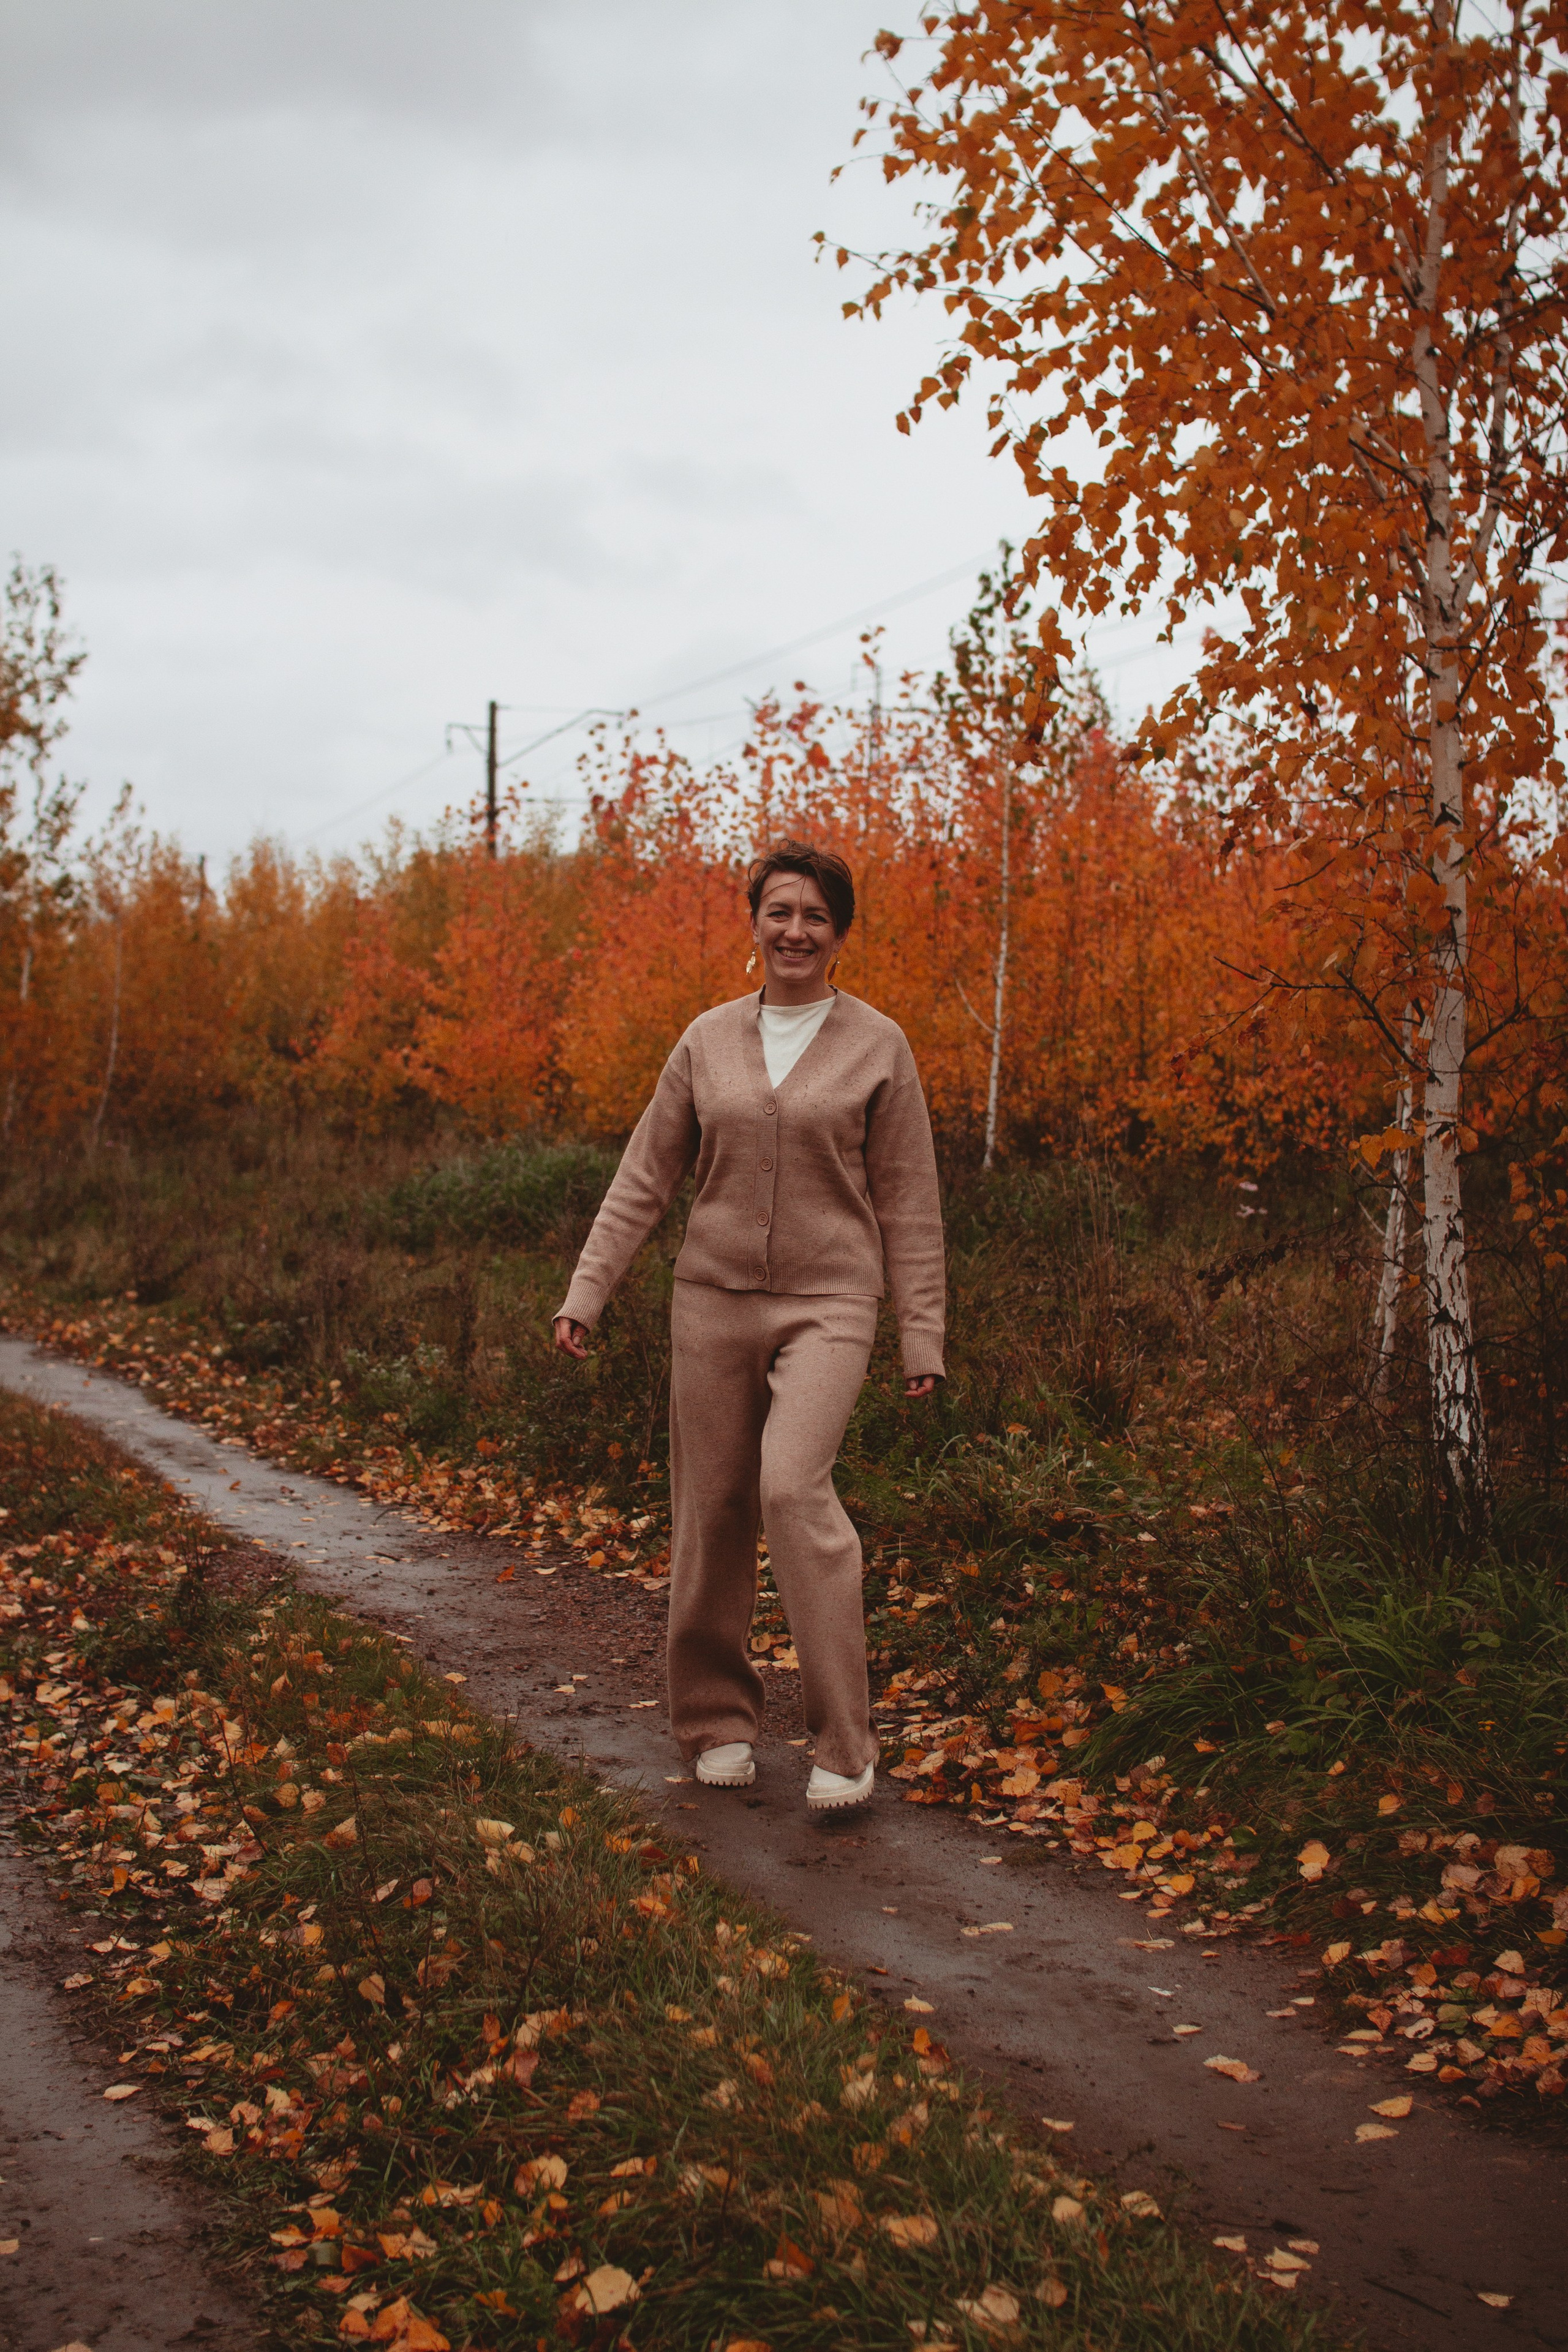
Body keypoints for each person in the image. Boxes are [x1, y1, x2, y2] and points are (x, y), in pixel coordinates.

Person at [552, 840, 944, 1811]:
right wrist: (586, 1293)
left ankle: (845, 1744)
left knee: (791, 1487)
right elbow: (645, 1177)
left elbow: (911, 1202)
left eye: (815, 916)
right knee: (712, 1508)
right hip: (712, 1302)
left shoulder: (878, 1045)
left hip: (831, 1304)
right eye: (780, 912)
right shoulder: (707, 1040)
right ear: (755, 922)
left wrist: (923, 1335)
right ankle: (718, 1721)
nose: (796, 932)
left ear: (840, 934)